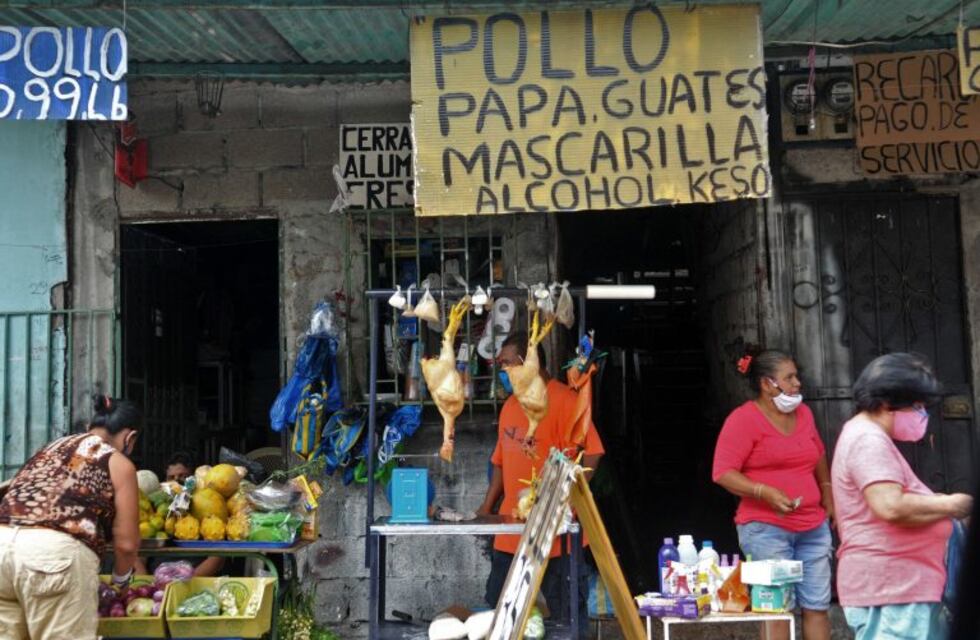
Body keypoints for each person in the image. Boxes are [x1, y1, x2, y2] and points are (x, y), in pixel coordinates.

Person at [832, 352, 973, 640]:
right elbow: (891, 506)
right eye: (917, 406)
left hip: (902, 588)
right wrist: (953, 504)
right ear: (885, 403)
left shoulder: (868, 436)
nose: (923, 414)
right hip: (893, 591)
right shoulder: (867, 439)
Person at [478, 332, 604, 636]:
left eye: (507, 364)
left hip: (557, 537)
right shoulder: (511, 405)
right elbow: (500, 462)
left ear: (530, 363)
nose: (503, 371)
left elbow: (594, 454)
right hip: (511, 534)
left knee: (567, 617)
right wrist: (486, 507)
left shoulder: (565, 401)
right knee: (499, 612)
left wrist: (566, 499)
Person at [712, 349, 833, 640]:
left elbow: (817, 454)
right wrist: (762, 491)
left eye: (796, 377)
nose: (797, 384)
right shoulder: (743, 420)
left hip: (813, 527)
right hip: (765, 530)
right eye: (789, 378)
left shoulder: (803, 414)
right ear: (767, 384)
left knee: (817, 606)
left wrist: (828, 495)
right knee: (777, 609)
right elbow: (722, 472)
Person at [0, 395, 142, 640]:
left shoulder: (49, 448)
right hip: (53, 557)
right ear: (130, 438)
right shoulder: (118, 463)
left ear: (90, 428)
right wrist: (120, 584)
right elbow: (127, 544)